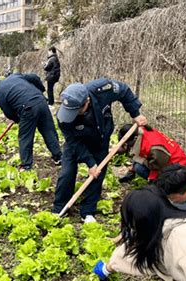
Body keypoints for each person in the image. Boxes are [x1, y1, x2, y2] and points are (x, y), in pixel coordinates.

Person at [53, 79, 147, 222]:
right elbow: (73, 141)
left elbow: (123, 90)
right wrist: (91, 163)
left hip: (100, 139)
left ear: (87, 102)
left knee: (98, 174)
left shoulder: (102, 89)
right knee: (67, 172)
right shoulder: (63, 118)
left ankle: (88, 211)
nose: (72, 114)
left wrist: (135, 113)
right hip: (77, 142)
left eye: (76, 111)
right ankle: (60, 208)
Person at [0, 74, 62, 171]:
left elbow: (9, 113)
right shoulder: (15, 76)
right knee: (48, 130)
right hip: (41, 101)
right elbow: (34, 77)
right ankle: (59, 157)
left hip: (27, 108)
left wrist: (17, 119)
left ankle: (26, 166)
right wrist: (41, 90)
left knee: (25, 136)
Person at [117, 124, 186, 182]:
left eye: (126, 144)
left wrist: (140, 161)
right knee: (136, 159)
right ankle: (132, 174)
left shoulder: (154, 148)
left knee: (138, 167)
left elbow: (158, 166)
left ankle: (158, 185)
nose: (127, 147)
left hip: (176, 169)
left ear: (135, 139)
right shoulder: (142, 132)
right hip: (164, 159)